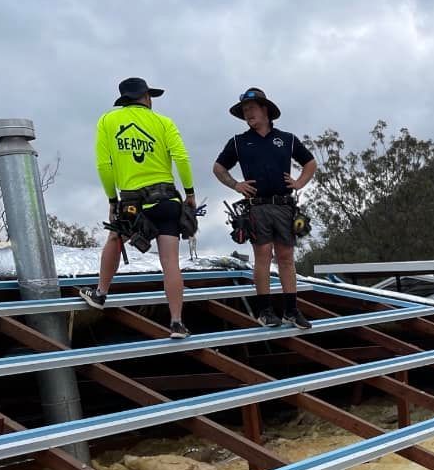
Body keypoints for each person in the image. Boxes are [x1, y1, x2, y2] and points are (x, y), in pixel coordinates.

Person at [81, 77, 197, 339]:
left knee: (115, 238)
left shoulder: (107, 122)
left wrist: (112, 200)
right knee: (170, 262)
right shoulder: (163, 122)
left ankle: (100, 293)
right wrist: (189, 192)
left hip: (132, 203)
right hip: (167, 200)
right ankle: (177, 322)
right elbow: (181, 157)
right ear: (146, 97)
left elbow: (104, 165)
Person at [212, 87, 316, 329]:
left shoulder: (287, 139)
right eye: (245, 111)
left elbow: (310, 162)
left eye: (252, 109)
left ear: (265, 110)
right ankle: (264, 311)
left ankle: (291, 310)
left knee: (286, 257)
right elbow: (218, 168)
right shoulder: (238, 142)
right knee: (263, 256)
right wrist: (236, 184)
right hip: (256, 207)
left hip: (284, 205)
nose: (248, 113)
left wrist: (299, 182)